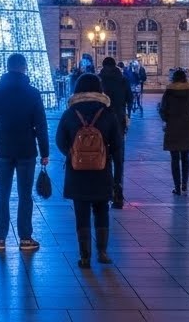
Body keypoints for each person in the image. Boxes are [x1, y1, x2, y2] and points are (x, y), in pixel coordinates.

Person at [0, 53, 49, 251]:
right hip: (27, 149)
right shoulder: (33, 93)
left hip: (3, 148)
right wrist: (44, 151)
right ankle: (26, 237)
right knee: (25, 195)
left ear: (8, 67)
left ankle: (0, 237)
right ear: (24, 68)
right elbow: (41, 126)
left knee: (2, 193)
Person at [55, 73, 122, 267]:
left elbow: (60, 140)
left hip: (77, 171)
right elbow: (117, 145)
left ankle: (85, 256)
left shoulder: (70, 113)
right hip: (102, 170)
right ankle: (102, 251)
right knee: (102, 210)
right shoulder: (107, 113)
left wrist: (72, 153)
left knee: (81, 212)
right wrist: (117, 175)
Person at [98, 57, 133, 208]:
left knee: (104, 159)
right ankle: (118, 194)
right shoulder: (123, 80)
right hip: (119, 123)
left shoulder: (99, 80)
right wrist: (126, 114)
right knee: (119, 160)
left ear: (104, 66)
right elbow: (130, 99)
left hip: (102, 124)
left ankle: (105, 191)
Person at [159, 69, 189, 196]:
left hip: (173, 125)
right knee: (186, 157)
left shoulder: (169, 91)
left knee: (174, 158)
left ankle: (177, 187)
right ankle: (185, 184)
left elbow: (163, 109)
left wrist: (165, 119)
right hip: (187, 125)